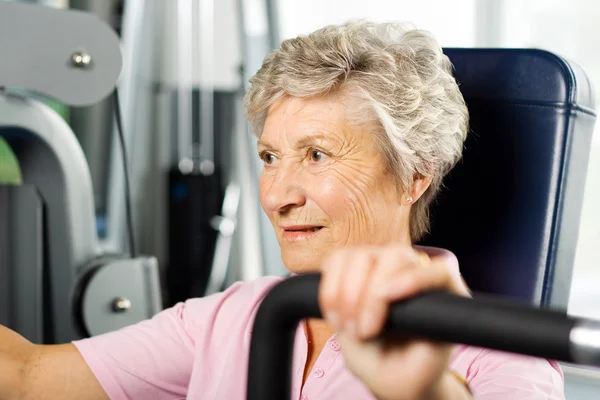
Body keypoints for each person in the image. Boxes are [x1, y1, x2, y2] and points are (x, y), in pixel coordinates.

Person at [0, 21, 565, 400]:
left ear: (415, 174)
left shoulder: (503, 362)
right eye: (270, 157)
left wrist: (424, 390)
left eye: (317, 155)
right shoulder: (236, 315)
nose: (277, 195)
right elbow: (26, 374)